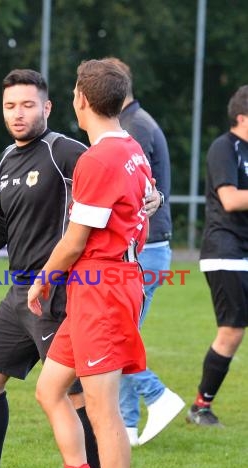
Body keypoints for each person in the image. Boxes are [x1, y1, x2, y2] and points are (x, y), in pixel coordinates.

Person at [0, 68, 162, 468]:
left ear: (49, 107)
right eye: (10, 106)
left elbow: (125, 179)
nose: (18, 114)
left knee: (78, 396)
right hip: (19, 291)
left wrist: (155, 197)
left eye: (28, 105)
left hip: (59, 290)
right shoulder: (6, 160)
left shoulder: (66, 152)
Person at [28, 57, 151, 468]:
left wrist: (42, 279)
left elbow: (76, 239)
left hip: (103, 285)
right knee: (50, 390)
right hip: (96, 285)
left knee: (103, 412)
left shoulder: (97, 158)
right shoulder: (130, 148)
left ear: (81, 98)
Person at [116, 59, 185, 446]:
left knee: (117, 339)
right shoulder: (136, 123)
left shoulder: (133, 128)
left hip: (144, 250)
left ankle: (159, 396)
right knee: (124, 334)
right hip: (148, 249)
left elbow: (132, 196)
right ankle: (125, 426)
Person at [186, 85, 248, 427]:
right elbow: (231, 199)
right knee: (231, 331)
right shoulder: (224, 148)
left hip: (244, 252)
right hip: (226, 252)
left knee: (234, 330)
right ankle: (199, 407)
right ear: (241, 117)